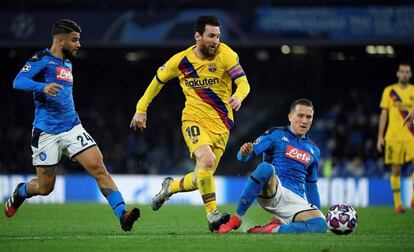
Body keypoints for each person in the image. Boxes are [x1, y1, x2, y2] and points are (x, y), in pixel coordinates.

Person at [5, 19, 140, 231]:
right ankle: (20, 192)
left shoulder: (67, 64)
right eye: (74, 40)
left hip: (72, 127)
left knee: (99, 167)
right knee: (44, 187)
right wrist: (42, 87)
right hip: (46, 132)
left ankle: (122, 214)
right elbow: (18, 81)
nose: (78, 45)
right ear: (60, 40)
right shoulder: (42, 59)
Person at [130, 16, 250, 231]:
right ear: (198, 36)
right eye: (211, 36)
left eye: (218, 36)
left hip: (222, 126)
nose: (216, 40)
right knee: (207, 160)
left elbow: (243, 82)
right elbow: (157, 82)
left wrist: (239, 96)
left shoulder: (227, 54)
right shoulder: (180, 61)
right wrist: (141, 109)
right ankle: (212, 214)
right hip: (193, 120)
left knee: (201, 176)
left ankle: (169, 188)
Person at [219, 98, 327, 234]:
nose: (304, 121)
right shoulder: (276, 134)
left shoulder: (314, 150)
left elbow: (311, 185)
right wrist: (244, 152)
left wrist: (316, 212)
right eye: (300, 115)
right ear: (290, 116)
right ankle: (237, 218)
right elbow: (243, 158)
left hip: (296, 200)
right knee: (265, 167)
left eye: (308, 117)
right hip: (274, 190)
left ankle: (273, 229)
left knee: (320, 226)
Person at [377, 62, 414, 213]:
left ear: (410, 74)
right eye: (402, 71)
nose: (404, 74)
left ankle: (413, 199)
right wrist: (380, 136)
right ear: (398, 73)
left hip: (412, 135)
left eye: (407, 72)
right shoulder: (389, 91)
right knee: (396, 170)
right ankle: (398, 204)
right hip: (393, 136)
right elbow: (384, 113)